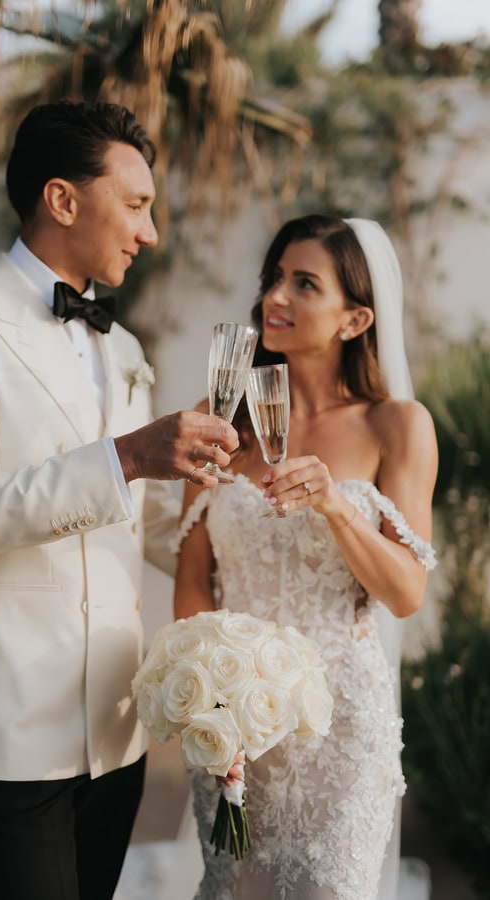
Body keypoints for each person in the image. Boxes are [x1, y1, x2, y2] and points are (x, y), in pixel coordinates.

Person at [0, 100, 238, 900]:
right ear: (63, 199)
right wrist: (128, 454)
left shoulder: (123, 346)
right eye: (138, 204)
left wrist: (238, 534)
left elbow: (135, 520)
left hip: (118, 726)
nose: (150, 232)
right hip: (9, 726)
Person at [172, 214, 438, 900]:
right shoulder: (221, 417)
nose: (275, 298)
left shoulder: (397, 425)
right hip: (234, 722)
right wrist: (211, 698)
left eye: (304, 283)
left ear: (355, 320)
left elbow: (407, 594)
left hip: (342, 727)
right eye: (274, 278)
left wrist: (337, 505)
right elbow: (193, 582)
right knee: (239, 887)